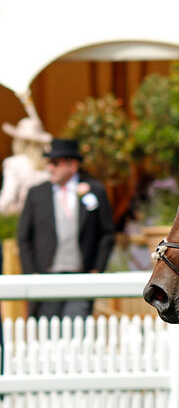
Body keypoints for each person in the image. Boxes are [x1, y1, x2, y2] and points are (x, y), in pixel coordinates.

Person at [17, 138, 115, 319]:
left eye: (55, 163)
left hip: (81, 277)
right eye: (49, 163)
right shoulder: (36, 193)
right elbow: (24, 238)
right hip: (46, 279)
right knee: (48, 332)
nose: (50, 168)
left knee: (77, 328)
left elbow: (107, 234)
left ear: (72, 165)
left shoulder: (94, 190)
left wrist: (96, 269)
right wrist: (32, 274)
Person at [0, 117, 52, 214]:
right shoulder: (49, 164)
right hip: (47, 217)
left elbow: (8, 198)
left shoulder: (14, 163)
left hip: (25, 217)